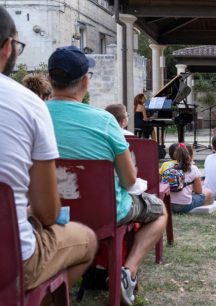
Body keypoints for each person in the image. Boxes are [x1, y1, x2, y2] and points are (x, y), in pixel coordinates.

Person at [46, 46, 167, 306]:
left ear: (50, 79)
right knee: (159, 211)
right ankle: (128, 271)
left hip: (48, 211)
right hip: (104, 213)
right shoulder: (104, 120)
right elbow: (128, 180)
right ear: (86, 81)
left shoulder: (33, 114)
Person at [0, 7, 97, 295]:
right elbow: (46, 213)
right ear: (7, 47)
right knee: (87, 239)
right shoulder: (29, 105)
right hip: (10, 260)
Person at [167, 144, 213, 213]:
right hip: (184, 206)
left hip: (170, 205)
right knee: (208, 193)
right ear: (188, 155)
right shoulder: (193, 168)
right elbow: (199, 191)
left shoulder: (169, 168)